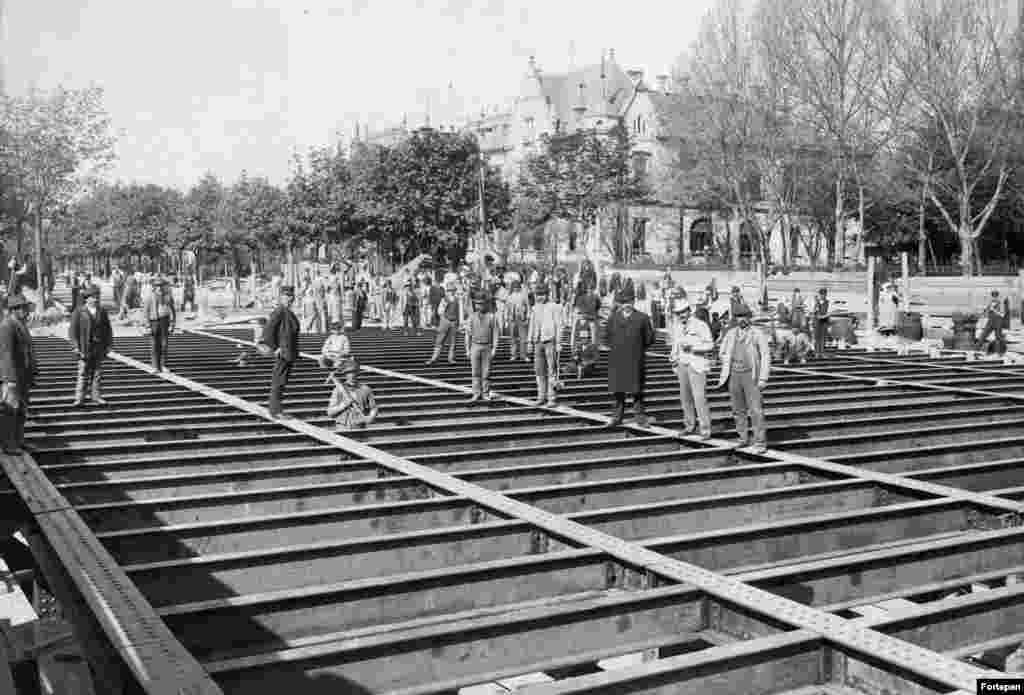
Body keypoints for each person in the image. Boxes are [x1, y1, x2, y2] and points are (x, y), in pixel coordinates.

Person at [717, 303, 771, 453]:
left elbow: (766, 356)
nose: (741, 319)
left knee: (756, 410)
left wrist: (763, 378)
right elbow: (722, 352)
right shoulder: (731, 333)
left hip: (751, 376)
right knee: (738, 410)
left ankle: (760, 442)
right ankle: (743, 438)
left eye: (744, 316)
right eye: (739, 316)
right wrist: (728, 360)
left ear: (749, 317)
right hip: (734, 375)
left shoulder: (757, 333)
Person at [605, 285, 655, 427]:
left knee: (637, 390)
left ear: (633, 302)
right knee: (618, 390)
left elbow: (649, 339)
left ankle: (640, 417)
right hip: (617, 359)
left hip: (635, 359)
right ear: (620, 303)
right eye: (624, 302)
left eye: (629, 301)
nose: (626, 304)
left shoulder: (642, 318)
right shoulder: (613, 318)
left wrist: (637, 349)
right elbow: (607, 337)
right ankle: (617, 417)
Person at [670, 299, 714, 440]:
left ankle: (705, 429)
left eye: (683, 312)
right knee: (685, 398)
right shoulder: (677, 327)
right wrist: (674, 358)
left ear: (689, 311)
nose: (681, 315)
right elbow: (675, 345)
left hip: (697, 365)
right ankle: (689, 426)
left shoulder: (700, 325)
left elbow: (710, 345)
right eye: (678, 313)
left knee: (699, 398)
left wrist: (694, 348)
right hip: (682, 364)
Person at [0, 294, 37, 454]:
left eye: (26, 307)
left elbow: (28, 349)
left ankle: (19, 440)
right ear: (14, 309)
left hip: (24, 375)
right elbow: (6, 354)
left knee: (21, 410)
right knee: (10, 411)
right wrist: (9, 379)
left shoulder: (21, 324)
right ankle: (9, 444)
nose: (26, 310)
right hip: (13, 377)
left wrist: (33, 370)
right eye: (23, 308)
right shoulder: (7, 326)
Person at [68, 286, 113, 407]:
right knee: (83, 373)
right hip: (84, 347)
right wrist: (75, 347)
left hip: (98, 347)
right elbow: (72, 331)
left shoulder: (102, 312)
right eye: (93, 297)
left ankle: (96, 397)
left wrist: (109, 345)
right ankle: (79, 398)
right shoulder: (78, 312)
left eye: (97, 296)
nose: (96, 299)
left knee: (97, 374)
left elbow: (108, 329)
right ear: (87, 299)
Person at [260, 286, 300, 418]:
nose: (290, 298)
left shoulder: (288, 312)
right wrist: (275, 347)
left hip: (289, 353)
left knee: (282, 381)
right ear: (281, 297)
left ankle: (277, 409)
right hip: (283, 353)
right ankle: (275, 411)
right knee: (278, 381)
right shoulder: (279, 311)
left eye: (291, 296)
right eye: (286, 296)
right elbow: (267, 331)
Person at [528, 283, 562, 407]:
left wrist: (558, 342)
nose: (540, 297)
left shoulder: (554, 307)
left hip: (549, 340)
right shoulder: (534, 308)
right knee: (539, 370)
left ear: (547, 294)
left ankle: (551, 398)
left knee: (552, 370)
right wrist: (529, 341)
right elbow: (531, 325)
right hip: (537, 341)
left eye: (542, 294)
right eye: (538, 295)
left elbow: (559, 325)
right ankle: (541, 396)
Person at [465, 289, 500, 402]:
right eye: (477, 304)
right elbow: (468, 334)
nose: (479, 306)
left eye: (481, 304)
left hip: (487, 346)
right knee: (475, 372)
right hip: (475, 346)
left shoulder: (492, 317)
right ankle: (476, 393)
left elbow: (496, 334)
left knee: (486, 372)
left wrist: (494, 348)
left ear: (486, 304)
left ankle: (485, 393)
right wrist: (467, 349)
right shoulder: (471, 317)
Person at [143, 277, 176, 372]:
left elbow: (173, 312)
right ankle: (155, 366)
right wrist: (147, 326)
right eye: (157, 286)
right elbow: (145, 312)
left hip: (164, 322)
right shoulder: (149, 297)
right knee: (154, 345)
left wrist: (172, 324)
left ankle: (163, 365)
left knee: (164, 344)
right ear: (154, 287)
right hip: (154, 322)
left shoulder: (168, 297)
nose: (159, 288)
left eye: (161, 286)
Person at [978, 290, 1007, 354]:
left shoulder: (1001, 304)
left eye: (995, 296)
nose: (994, 297)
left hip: (998, 321)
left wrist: (994, 310)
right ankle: (977, 349)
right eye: (993, 296)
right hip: (990, 321)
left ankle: (1000, 351)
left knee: (998, 337)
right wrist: (982, 313)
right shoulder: (990, 303)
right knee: (983, 335)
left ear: (997, 296)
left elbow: (1002, 314)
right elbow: (986, 312)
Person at [812, 288, 830, 356]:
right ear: (820, 295)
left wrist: (825, 316)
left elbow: (829, 312)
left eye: (824, 294)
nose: (823, 296)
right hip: (817, 322)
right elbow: (814, 312)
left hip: (824, 322)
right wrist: (815, 310)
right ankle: (816, 352)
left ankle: (822, 352)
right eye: (822, 294)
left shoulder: (827, 302)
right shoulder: (816, 302)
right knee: (817, 338)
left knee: (823, 338)